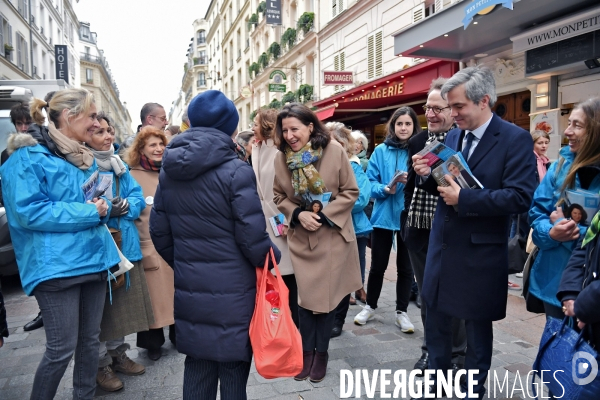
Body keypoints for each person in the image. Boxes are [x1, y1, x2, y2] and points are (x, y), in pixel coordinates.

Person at [411, 65, 537, 398]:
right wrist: (427, 174)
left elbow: (521, 196)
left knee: (476, 337)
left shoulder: (515, 138)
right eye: (449, 107)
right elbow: (446, 184)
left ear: (483, 101)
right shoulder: (454, 136)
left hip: (480, 255)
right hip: (443, 248)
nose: (452, 114)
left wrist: (464, 198)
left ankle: (471, 391)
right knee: (435, 328)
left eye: (458, 107)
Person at [149, 90, 280, 400]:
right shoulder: (236, 170)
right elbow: (252, 238)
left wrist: (185, 260)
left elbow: (159, 232)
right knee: (233, 366)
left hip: (191, 286)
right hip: (235, 288)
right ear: (230, 127)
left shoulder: (169, 170)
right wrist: (272, 258)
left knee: (198, 364)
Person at [0, 88, 121, 399]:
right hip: (55, 267)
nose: (97, 123)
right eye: (92, 116)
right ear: (70, 116)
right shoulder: (26, 157)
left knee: (90, 342)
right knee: (61, 349)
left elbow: (93, 203)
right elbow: (29, 212)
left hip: (92, 259)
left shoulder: (82, 155)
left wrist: (103, 208)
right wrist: (89, 210)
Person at [273, 103, 362, 383]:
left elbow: (350, 192)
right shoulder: (281, 158)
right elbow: (279, 197)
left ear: (310, 128)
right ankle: (305, 353)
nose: (289, 135)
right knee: (303, 301)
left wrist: (322, 216)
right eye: (284, 129)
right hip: (302, 238)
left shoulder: (334, 151)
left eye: (294, 129)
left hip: (332, 236)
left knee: (324, 302)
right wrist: (298, 214)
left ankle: (320, 354)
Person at [402, 77, 466, 376]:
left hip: (451, 233)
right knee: (427, 297)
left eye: (437, 108)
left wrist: (430, 174)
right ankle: (431, 351)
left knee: (452, 297)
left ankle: (456, 354)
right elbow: (410, 188)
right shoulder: (416, 141)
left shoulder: (460, 142)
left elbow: (457, 189)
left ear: (453, 111)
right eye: (427, 108)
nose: (430, 114)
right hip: (418, 229)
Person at [86, 112, 153, 392]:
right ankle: (100, 366)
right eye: (100, 132)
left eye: (109, 131)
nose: (108, 137)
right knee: (101, 313)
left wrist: (127, 205)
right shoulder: (81, 165)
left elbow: (137, 196)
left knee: (122, 308)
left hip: (125, 244)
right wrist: (102, 209)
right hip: (99, 248)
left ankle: (118, 355)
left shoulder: (119, 165)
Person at [529, 97, 600, 324]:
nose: (567, 131)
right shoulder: (560, 164)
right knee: (558, 351)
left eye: (577, 125)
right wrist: (551, 233)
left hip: (593, 287)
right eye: (569, 123)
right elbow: (537, 213)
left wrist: (570, 232)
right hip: (554, 281)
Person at [354, 106, 418, 335]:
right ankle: (370, 306)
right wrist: (385, 188)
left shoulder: (418, 149)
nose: (403, 128)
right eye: (399, 123)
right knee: (378, 266)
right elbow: (369, 183)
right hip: (382, 215)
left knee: (405, 267)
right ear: (393, 126)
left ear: (414, 126)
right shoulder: (380, 150)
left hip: (409, 214)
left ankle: (402, 312)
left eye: (408, 124)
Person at [126, 127, 175, 362]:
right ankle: (152, 345)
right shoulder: (131, 176)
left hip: (176, 243)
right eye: (152, 145)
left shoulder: (172, 171)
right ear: (141, 150)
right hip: (149, 245)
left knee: (178, 295)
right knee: (154, 300)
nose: (158, 149)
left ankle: (180, 337)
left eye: (160, 144)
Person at [251, 108, 299, 327]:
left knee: (287, 273)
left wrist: (288, 218)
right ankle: (277, 320)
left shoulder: (282, 150)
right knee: (271, 273)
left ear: (267, 124)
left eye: (256, 122)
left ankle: (293, 323)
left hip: (280, 218)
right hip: (263, 221)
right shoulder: (256, 147)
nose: (252, 126)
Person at [326, 121, 372, 337]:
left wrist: (332, 204)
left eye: (334, 142)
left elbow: (362, 198)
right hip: (326, 229)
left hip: (349, 228)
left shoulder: (353, 166)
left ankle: (337, 320)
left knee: (344, 277)